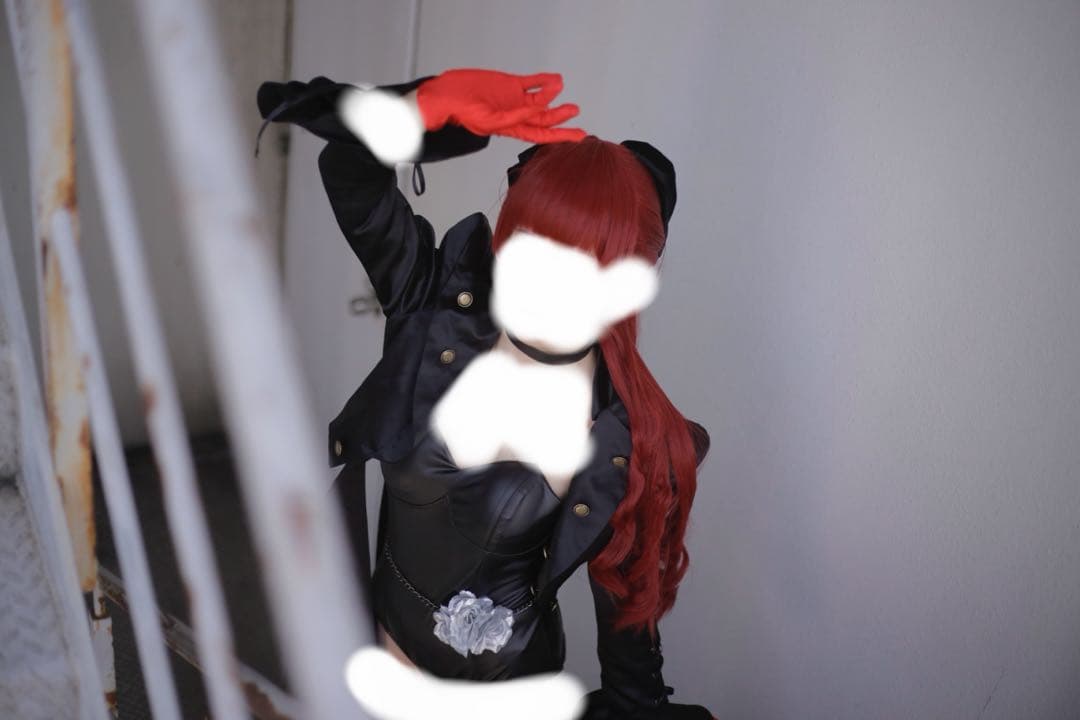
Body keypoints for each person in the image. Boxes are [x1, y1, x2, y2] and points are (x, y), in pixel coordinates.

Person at [256, 68, 716, 719]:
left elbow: (629, 654)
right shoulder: (433, 306)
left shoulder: (630, 441)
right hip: (363, 653)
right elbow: (351, 172)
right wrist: (419, 109)